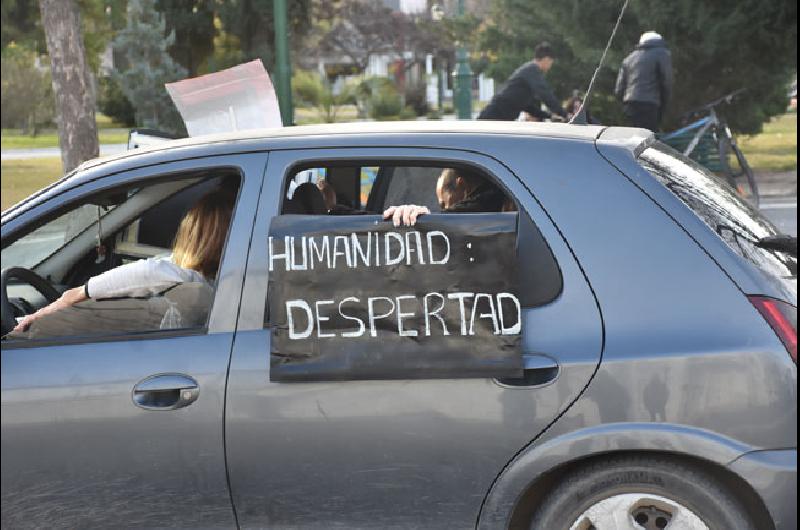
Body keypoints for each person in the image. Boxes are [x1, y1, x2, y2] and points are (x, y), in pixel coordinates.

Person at [12, 188, 236, 333]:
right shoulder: (228, 279)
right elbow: (166, 264)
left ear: (193, 233)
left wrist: (72, 296)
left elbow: (152, 271)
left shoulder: (193, 280)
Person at [383, 168, 512, 227]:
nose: (446, 209)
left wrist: (424, 217)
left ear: (463, 187)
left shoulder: (485, 206)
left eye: (444, 204)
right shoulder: (504, 201)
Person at [478, 42, 568, 122]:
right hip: (496, 115)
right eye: (550, 63)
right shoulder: (532, 70)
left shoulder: (529, 72)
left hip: (500, 116)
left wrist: (549, 116)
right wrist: (565, 114)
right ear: (546, 59)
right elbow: (545, 94)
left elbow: (527, 106)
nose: (550, 67)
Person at [615, 31, 673, 131]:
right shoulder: (662, 53)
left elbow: (619, 89)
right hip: (649, 104)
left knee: (634, 137)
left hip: (630, 104)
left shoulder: (629, 58)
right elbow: (666, 80)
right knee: (649, 136)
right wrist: (665, 102)